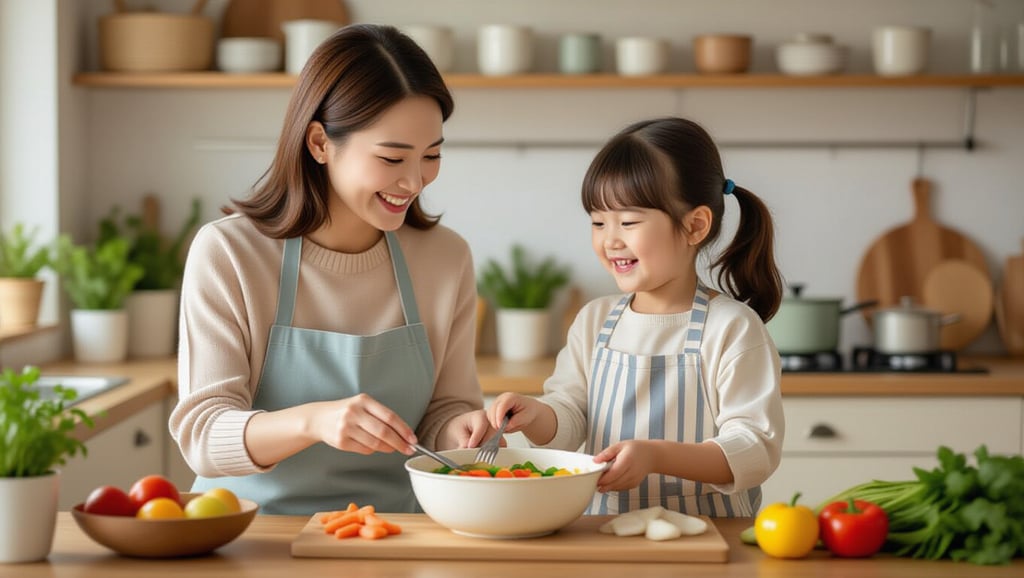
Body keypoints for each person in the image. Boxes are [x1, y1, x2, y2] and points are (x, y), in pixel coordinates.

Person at [169, 24, 491, 515]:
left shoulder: (446, 259)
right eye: (391, 157)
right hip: (250, 534)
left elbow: (445, 410)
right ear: (320, 143)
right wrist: (314, 422)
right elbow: (204, 434)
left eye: (432, 155)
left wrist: (460, 431)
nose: (414, 180)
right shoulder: (230, 254)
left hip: (395, 532)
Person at [484, 117, 785, 517]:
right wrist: (536, 414)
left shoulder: (731, 328)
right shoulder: (594, 321)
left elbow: (754, 448)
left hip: (708, 539)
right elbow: (572, 415)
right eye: (597, 222)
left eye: (628, 222)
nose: (610, 239)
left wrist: (655, 455)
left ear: (695, 225)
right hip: (604, 535)